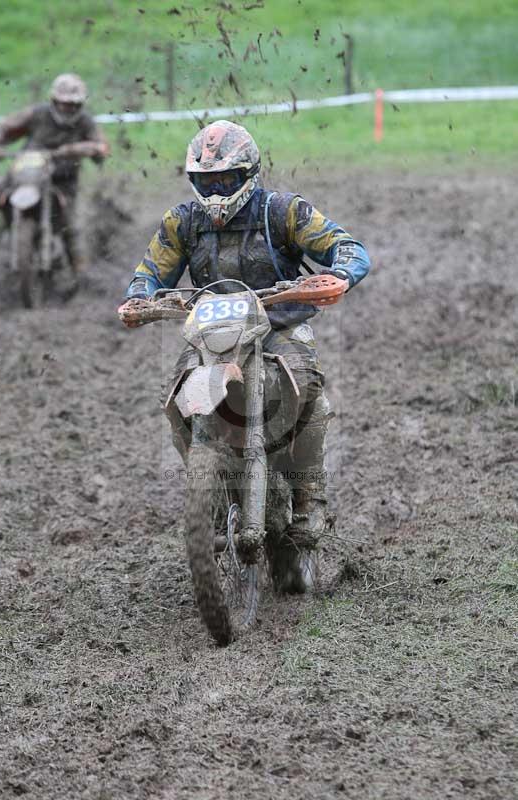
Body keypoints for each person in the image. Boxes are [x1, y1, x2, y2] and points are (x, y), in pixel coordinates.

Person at [123, 119, 371, 592]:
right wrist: (140, 297)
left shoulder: (283, 212)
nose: (215, 191)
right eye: (205, 182)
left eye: (225, 180)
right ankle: (208, 481)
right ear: (192, 181)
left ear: (249, 175)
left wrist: (340, 273)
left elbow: (348, 247)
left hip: (279, 325)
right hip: (214, 334)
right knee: (177, 397)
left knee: (307, 388)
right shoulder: (182, 222)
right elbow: (149, 271)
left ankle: (307, 498)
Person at [0, 73, 109, 287]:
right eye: (63, 104)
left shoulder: (86, 122)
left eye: (73, 105)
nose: (67, 109)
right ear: (54, 101)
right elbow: (6, 128)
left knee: (71, 227)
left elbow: (102, 147)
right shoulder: (37, 114)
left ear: (80, 104)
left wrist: (89, 149)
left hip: (63, 180)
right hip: (25, 172)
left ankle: (82, 278)